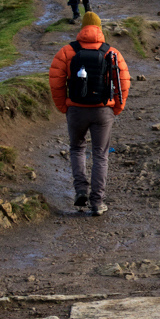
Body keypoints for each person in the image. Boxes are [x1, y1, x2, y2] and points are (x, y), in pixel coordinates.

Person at [49, 12, 131, 215]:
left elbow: (56, 81)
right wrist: (116, 109)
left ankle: (80, 191)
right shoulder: (111, 52)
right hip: (103, 111)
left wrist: (64, 106)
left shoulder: (67, 52)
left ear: (82, 29)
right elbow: (124, 83)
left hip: (76, 109)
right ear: (100, 29)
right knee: (100, 155)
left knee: (77, 149)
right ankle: (97, 202)